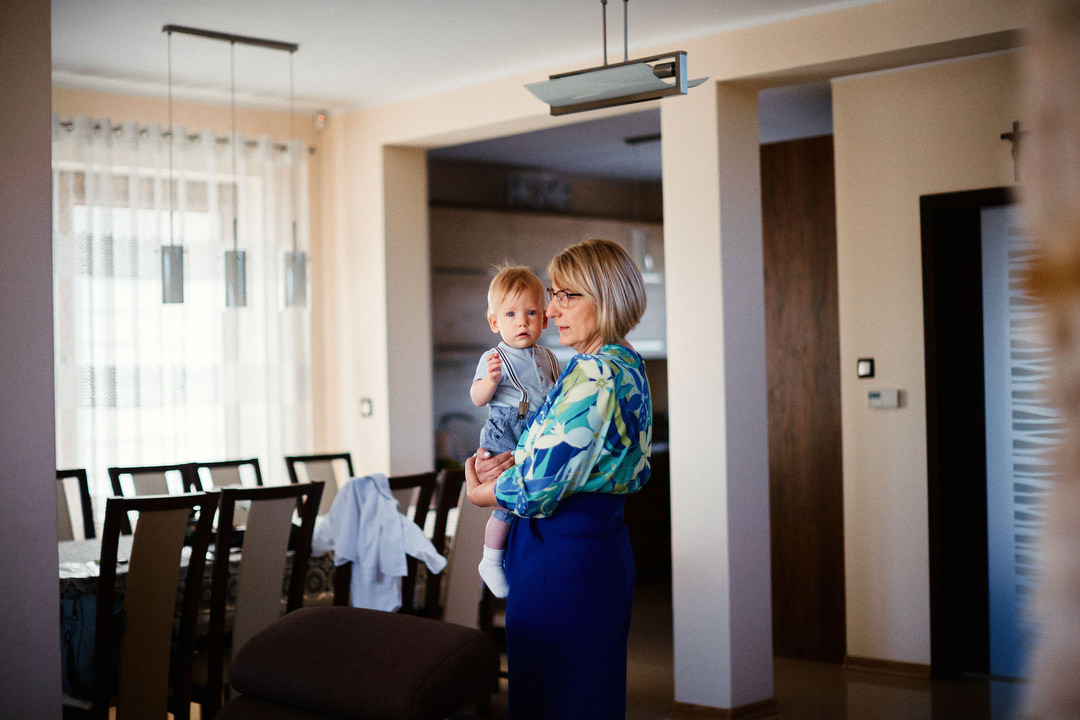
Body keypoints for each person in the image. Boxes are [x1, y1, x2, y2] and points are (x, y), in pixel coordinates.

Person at [465, 238, 653, 720]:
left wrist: (483, 492)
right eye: (553, 294)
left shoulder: (593, 376)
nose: (550, 310)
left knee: (554, 700)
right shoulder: (624, 361)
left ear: (605, 298)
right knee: (588, 696)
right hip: (594, 550)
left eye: (567, 296)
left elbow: (538, 488)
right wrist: (511, 460)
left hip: (563, 556)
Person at [470, 265, 560, 598]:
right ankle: (491, 559)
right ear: (495, 322)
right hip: (505, 431)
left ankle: (517, 557)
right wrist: (490, 381)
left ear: (544, 320)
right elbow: (477, 398)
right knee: (506, 500)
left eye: (531, 313)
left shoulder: (548, 357)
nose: (522, 322)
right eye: (511, 314)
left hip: (536, 429)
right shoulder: (494, 358)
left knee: (530, 495)